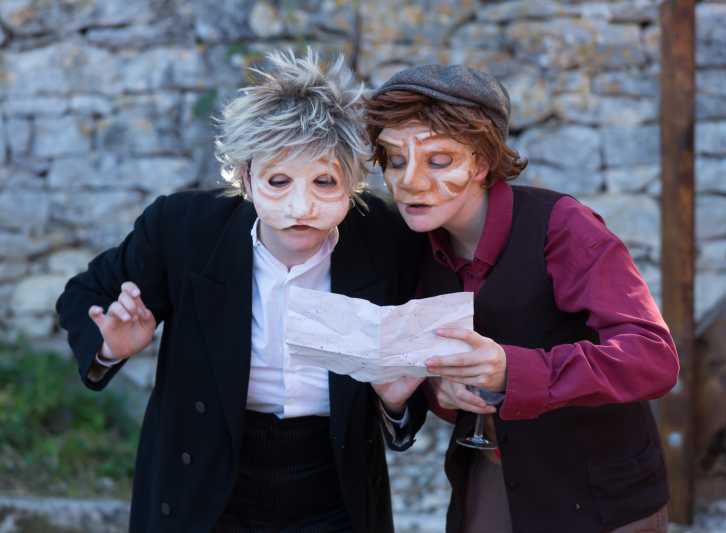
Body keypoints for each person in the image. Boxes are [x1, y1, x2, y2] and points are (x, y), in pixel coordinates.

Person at [56, 49, 426, 533]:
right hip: (204, 475)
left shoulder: (387, 238)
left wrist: (394, 404)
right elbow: (83, 293)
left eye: (324, 182)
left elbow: (410, 372)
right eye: (278, 181)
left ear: (352, 182)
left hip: (334, 480)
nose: (301, 206)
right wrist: (111, 347)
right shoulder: (184, 228)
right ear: (247, 179)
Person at [364, 64, 680, 533]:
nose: (410, 180)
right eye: (394, 159)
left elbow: (653, 358)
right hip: (490, 479)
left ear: (481, 163)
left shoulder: (563, 226)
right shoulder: (413, 242)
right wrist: (439, 390)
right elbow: (428, 380)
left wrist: (513, 371)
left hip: (600, 497)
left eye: (439, 160)